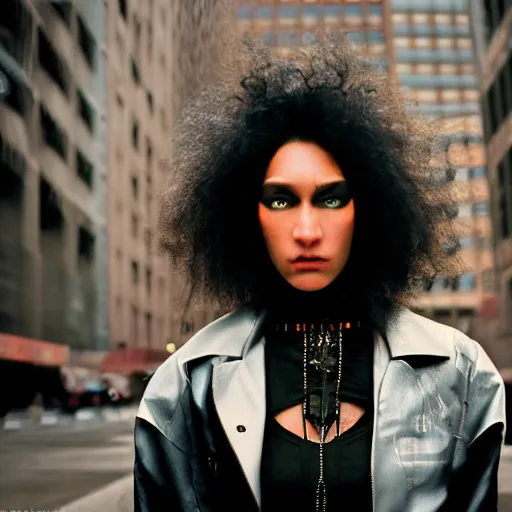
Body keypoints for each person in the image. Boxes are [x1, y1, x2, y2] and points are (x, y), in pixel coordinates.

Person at [134, 38, 506, 512]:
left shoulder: (461, 373)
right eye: (281, 200)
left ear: (368, 208)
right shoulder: (188, 384)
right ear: (247, 216)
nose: (307, 231)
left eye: (331, 198)